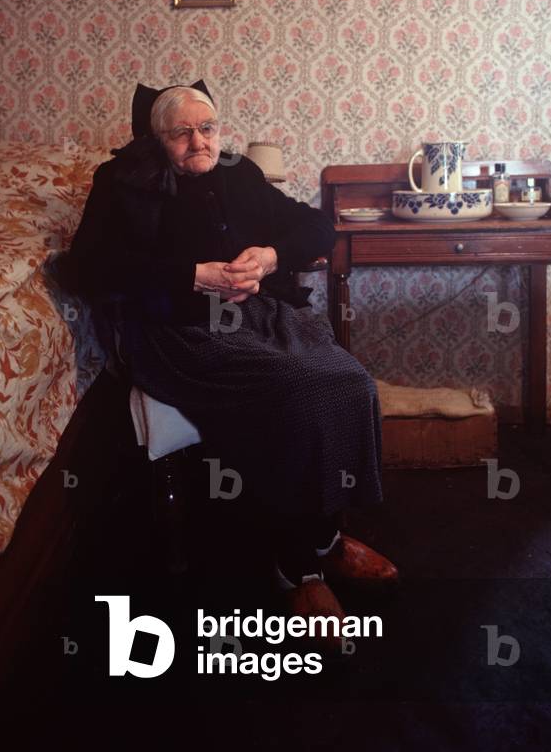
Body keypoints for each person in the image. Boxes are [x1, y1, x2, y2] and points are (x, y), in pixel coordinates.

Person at [61, 79, 397, 626]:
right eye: (182, 132)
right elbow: (87, 270)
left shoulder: (241, 173)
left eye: (208, 128)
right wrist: (192, 276)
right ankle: (297, 569)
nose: (199, 141)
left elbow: (316, 227)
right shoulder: (123, 180)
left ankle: (327, 536)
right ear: (156, 139)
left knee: (349, 380)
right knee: (297, 387)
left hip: (263, 314)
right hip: (180, 331)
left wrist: (269, 256)